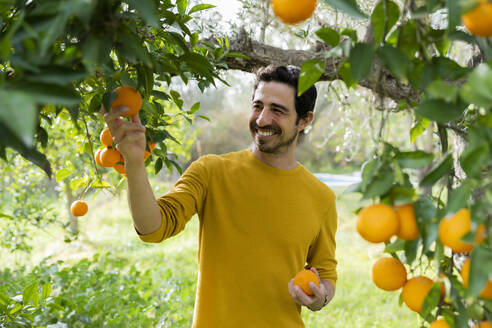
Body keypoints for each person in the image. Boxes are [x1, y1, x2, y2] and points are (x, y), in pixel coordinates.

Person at [103, 65, 338, 328]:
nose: (261, 119)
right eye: (258, 106)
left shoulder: (322, 198)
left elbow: (325, 273)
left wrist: (320, 298)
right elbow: (152, 229)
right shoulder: (211, 171)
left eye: (277, 110)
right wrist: (134, 164)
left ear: (305, 120)